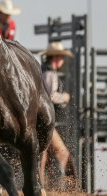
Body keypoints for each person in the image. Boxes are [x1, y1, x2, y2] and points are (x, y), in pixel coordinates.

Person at [39, 41, 77, 189]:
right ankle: (54, 186)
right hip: (45, 118)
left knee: (44, 154)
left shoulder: (45, 70)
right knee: (60, 153)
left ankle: (42, 185)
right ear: (55, 57)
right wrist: (65, 97)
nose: (62, 60)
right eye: (61, 57)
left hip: (43, 118)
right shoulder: (49, 72)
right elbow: (50, 96)